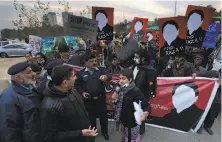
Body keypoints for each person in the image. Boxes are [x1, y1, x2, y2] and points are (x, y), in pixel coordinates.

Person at [41, 65, 97, 142]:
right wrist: (80, 133)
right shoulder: (49, 106)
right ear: (65, 83)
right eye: (73, 76)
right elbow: (51, 136)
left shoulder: (72, 91)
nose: (76, 78)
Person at [0, 62, 41, 142]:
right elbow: (9, 130)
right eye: (29, 72)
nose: (33, 74)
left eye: (32, 71)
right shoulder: (8, 99)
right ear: (19, 78)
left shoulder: (30, 88)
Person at [75, 53, 112, 140]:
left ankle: (105, 132)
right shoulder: (81, 73)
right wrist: (82, 92)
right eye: (91, 61)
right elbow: (77, 85)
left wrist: (106, 76)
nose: (94, 63)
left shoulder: (101, 70)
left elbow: (109, 76)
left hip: (100, 100)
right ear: (86, 62)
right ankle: (92, 135)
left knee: (103, 118)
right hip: (89, 101)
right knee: (91, 120)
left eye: (95, 61)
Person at [114, 68, 151, 142]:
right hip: (123, 121)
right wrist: (114, 100)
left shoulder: (136, 91)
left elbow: (147, 106)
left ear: (130, 80)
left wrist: (146, 112)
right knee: (125, 138)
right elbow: (119, 104)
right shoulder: (121, 89)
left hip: (132, 123)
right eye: (120, 78)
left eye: (123, 79)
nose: (121, 81)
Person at [133, 48, 157, 135]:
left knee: (141, 114)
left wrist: (145, 100)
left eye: (136, 57)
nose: (134, 59)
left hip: (142, 97)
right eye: (134, 57)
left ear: (143, 59)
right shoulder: (135, 67)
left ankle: (140, 131)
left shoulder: (149, 70)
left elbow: (150, 86)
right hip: (133, 95)